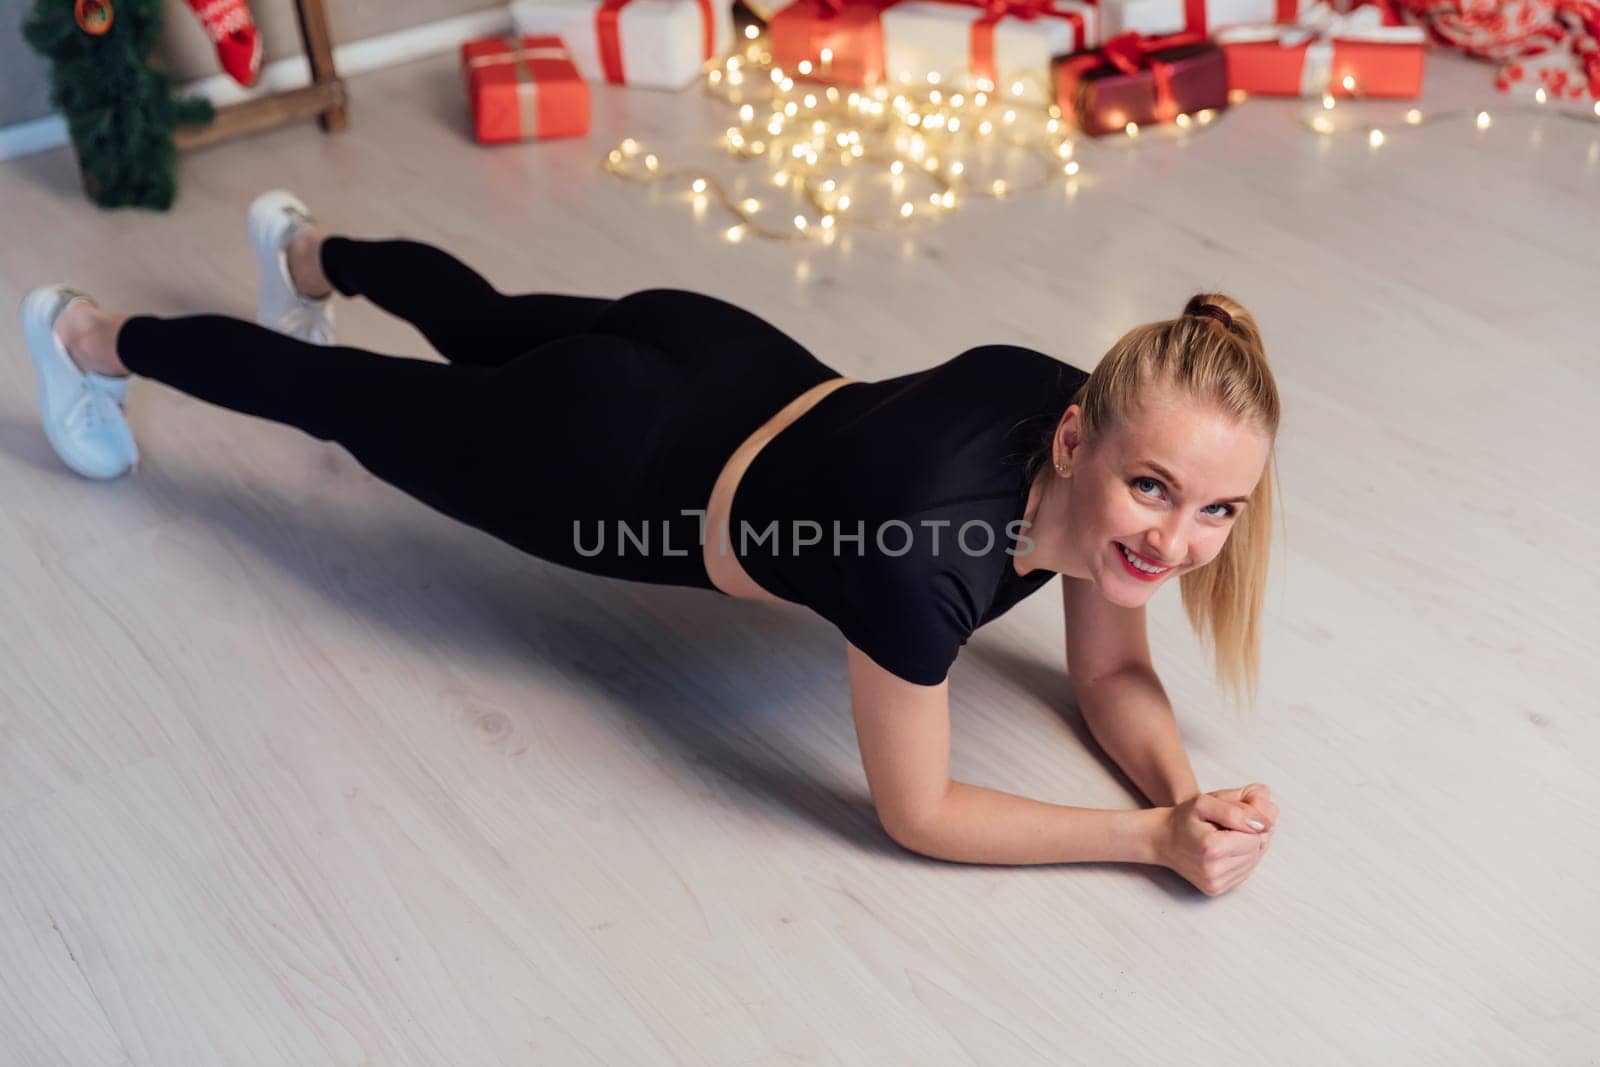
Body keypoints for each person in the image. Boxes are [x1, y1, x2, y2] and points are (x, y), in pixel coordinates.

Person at [17, 190, 1282, 895]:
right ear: (1078, 441)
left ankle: (305, 247)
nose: (1175, 542)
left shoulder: (1090, 400)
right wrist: (1141, 839)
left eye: (1217, 509)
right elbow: (918, 807)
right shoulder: (920, 560)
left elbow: (1111, 671)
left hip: (718, 350)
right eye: (1156, 490)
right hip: (602, 462)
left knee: (491, 317)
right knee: (337, 401)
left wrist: (1183, 800)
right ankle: (84, 336)